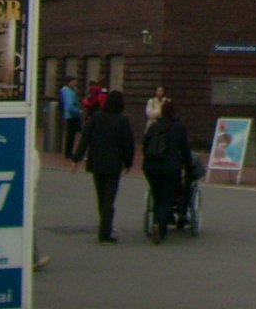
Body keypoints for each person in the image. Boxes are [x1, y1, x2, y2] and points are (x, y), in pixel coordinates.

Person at [73, 89, 134, 242]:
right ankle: (105, 232)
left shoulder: (96, 118)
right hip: (114, 164)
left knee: (101, 197)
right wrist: (128, 162)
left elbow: (85, 138)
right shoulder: (122, 121)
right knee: (109, 198)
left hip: (96, 162)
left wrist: (77, 158)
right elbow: (128, 144)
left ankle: (104, 226)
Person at [141, 98, 194, 243]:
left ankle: (159, 226)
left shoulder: (153, 127)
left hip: (150, 167)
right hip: (170, 167)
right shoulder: (178, 128)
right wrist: (189, 167)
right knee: (167, 198)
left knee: (157, 195)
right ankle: (159, 224)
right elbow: (185, 150)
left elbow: (145, 146)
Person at [59, 76, 83, 160]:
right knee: (70, 135)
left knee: (71, 135)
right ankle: (68, 153)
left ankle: (69, 152)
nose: (76, 83)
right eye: (74, 82)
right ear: (69, 82)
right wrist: (78, 111)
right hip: (72, 115)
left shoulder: (71, 91)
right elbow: (69, 106)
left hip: (72, 115)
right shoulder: (68, 92)